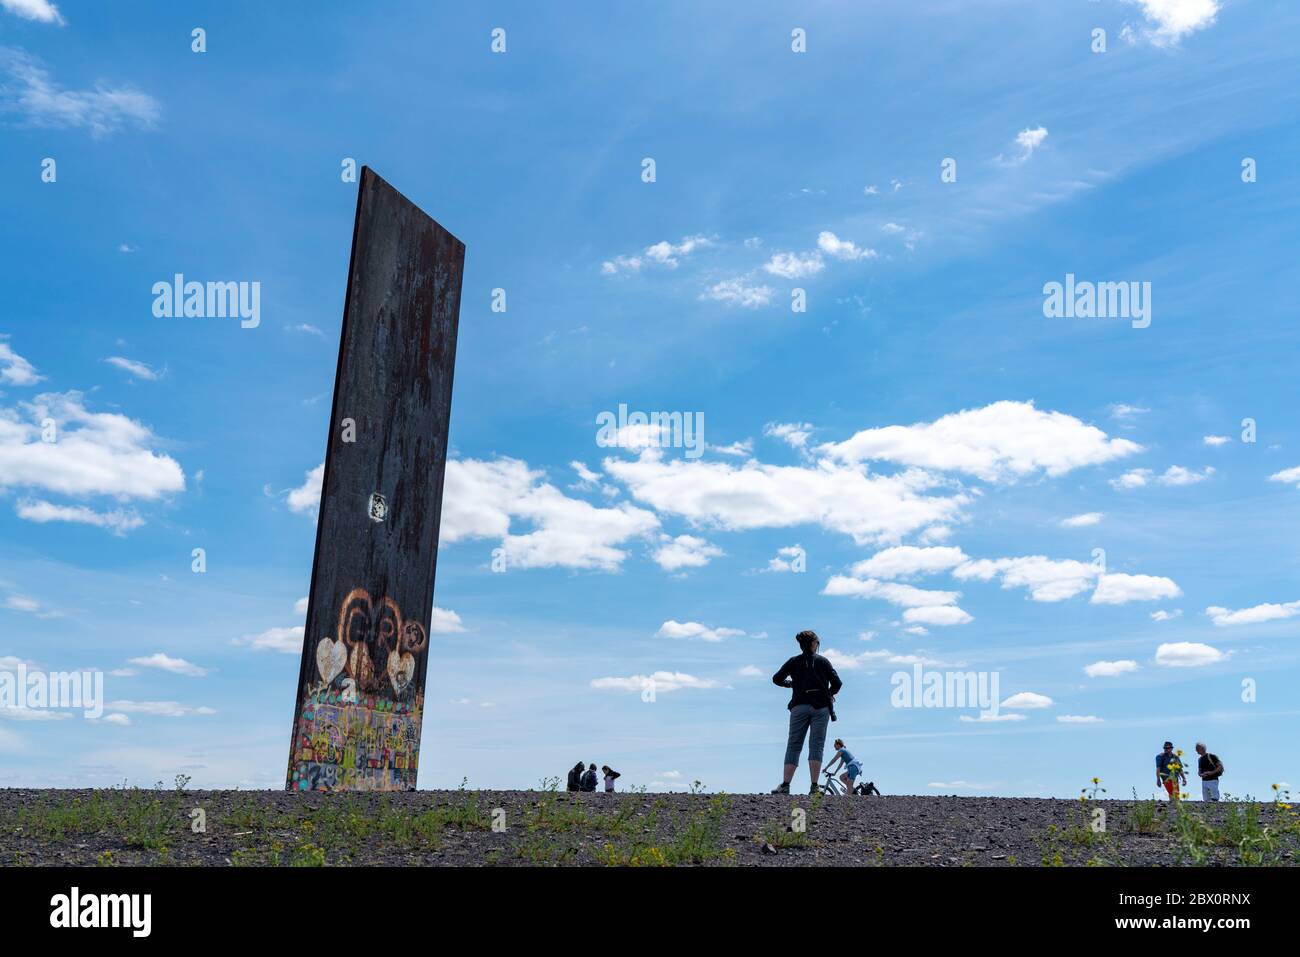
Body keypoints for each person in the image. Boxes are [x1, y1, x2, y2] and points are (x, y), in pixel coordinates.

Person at [771, 629, 843, 795]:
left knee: (794, 745)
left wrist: (791, 684)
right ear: (813, 644)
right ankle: (814, 786)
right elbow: (838, 683)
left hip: (799, 706)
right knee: (816, 746)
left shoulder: (793, 661)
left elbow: (776, 679)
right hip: (821, 708)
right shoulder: (823, 662)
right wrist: (829, 694)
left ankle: (785, 785)